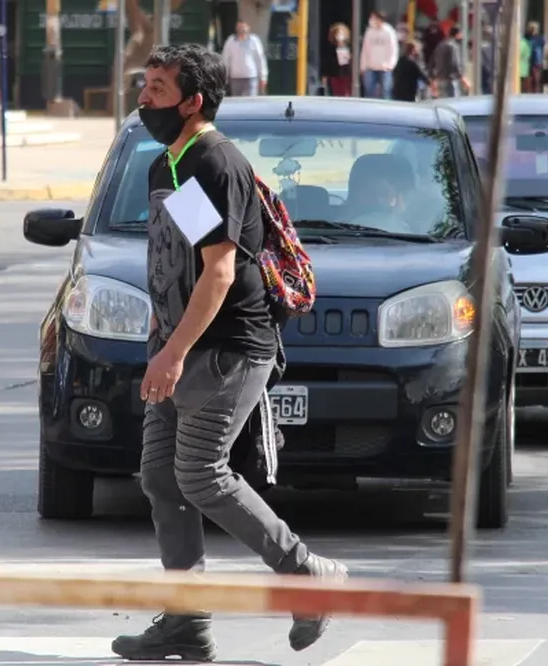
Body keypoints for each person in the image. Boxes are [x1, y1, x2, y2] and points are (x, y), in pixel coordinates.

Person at [109, 43, 348, 662]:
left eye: (158, 89)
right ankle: (186, 621)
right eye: (144, 85)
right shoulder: (170, 164)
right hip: (180, 344)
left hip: (227, 348)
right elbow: (181, 262)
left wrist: (173, 353)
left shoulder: (215, 163)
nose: (144, 98)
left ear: (193, 102)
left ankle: (307, 575)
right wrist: (162, 335)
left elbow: (219, 271)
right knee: (160, 476)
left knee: (200, 473)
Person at [220, 20, 268, 96]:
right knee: (236, 101)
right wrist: (225, 76)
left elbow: (260, 59)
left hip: (251, 77)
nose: (242, 29)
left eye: (244, 27)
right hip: (235, 78)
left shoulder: (254, 41)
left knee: (251, 101)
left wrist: (263, 77)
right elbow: (226, 59)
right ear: (236, 28)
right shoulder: (231, 41)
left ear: (248, 28)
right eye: (240, 27)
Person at [360, 11, 398, 98]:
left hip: (385, 68)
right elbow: (365, 50)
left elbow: (393, 49)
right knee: (369, 91)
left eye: (373, 18)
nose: (371, 20)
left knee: (386, 91)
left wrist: (391, 65)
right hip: (370, 67)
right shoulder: (369, 32)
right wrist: (363, 66)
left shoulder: (389, 32)